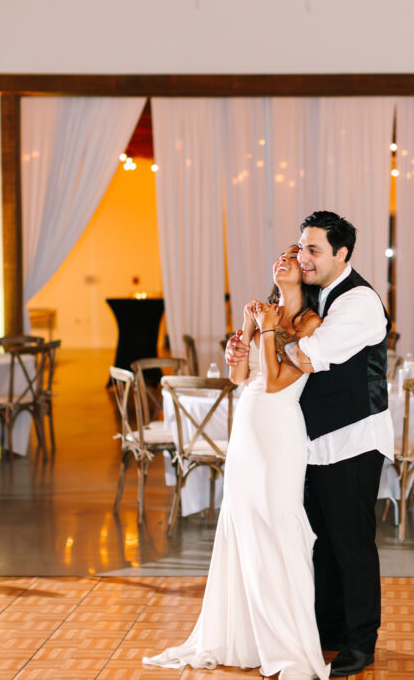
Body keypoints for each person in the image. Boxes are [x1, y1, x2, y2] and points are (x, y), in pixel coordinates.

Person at [143, 245, 329, 680]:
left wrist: (264, 332)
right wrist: (238, 347)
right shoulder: (259, 311)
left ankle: (288, 642)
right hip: (247, 423)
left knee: (278, 519)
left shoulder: (310, 322)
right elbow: (240, 379)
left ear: (304, 271)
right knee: (243, 519)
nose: (281, 259)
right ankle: (244, 638)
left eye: (292, 256)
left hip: (281, 426)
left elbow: (281, 382)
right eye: (280, 254)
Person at [229, 211, 393, 677]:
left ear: (342, 254)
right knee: (320, 542)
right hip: (309, 442)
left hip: (351, 439)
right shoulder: (316, 296)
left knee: (352, 543)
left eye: (314, 249)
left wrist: (266, 338)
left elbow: (305, 358)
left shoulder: (357, 301)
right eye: (301, 247)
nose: (304, 257)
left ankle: (361, 644)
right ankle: (330, 630)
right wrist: (244, 349)